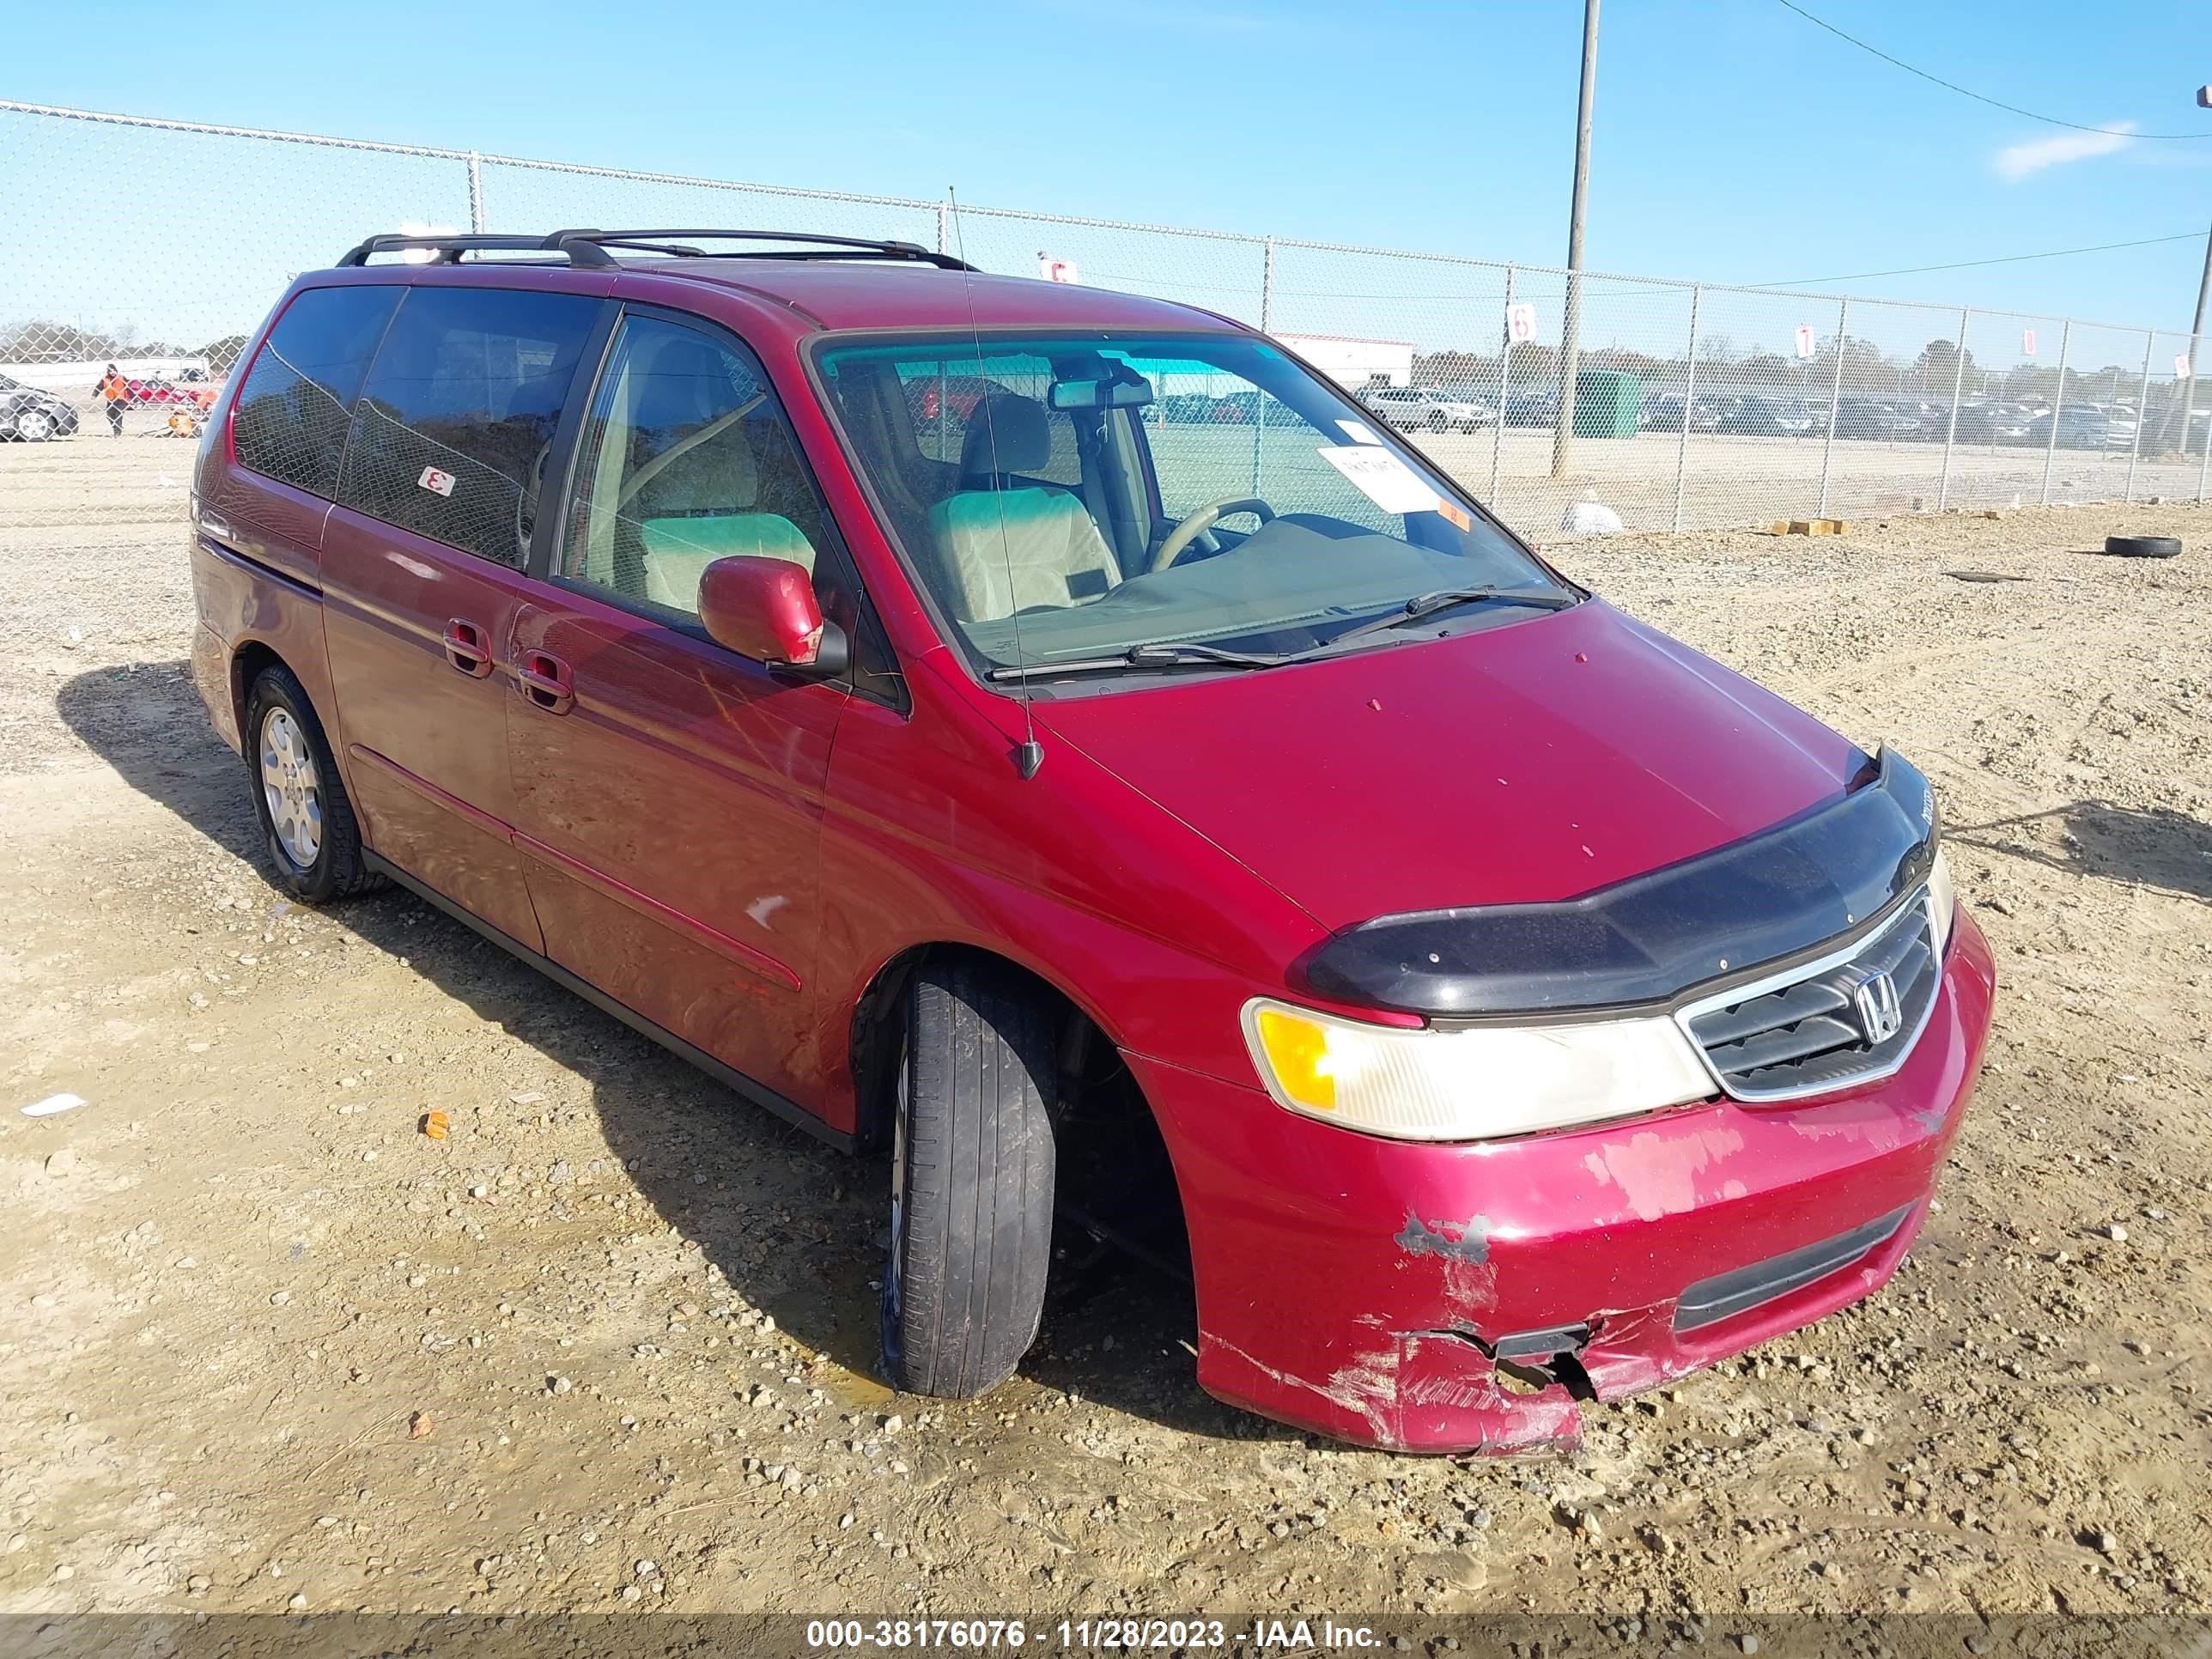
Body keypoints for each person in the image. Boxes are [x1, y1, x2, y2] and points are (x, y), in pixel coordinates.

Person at [98, 363, 129, 438]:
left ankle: (117, 432)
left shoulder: (122, 377)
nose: (113, 372)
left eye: (114, 370)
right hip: (111, 401)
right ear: (108, 372)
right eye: (111, 371)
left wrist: (131, 398)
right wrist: (94, 395)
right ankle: (116, 427)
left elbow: (129, 387)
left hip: (121, 400)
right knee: (109, 415)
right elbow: (99, 387)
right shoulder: (105, 379)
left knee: (118, 415)